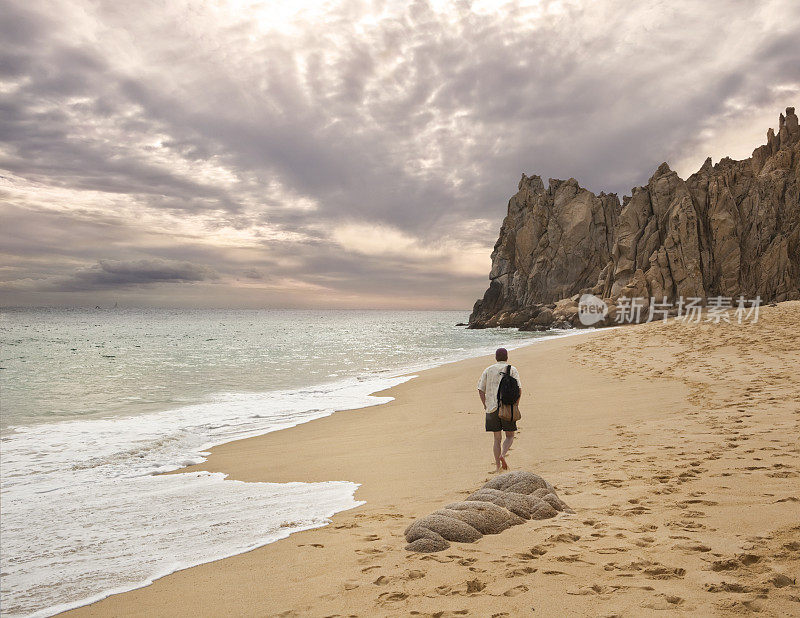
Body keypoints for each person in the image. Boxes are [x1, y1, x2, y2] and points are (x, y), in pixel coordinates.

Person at [477, 348, 521, 473]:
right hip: (507, 407)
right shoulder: (512, 369)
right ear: (507, 357)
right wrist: (515, 405)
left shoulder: (488, 370)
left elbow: (480, 389)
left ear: (495, 357)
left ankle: (497, 467)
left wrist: (485, 404)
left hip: (491, 409)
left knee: (497, 439)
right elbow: (519, 389)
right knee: (510, 435)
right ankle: (503, 453)